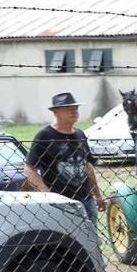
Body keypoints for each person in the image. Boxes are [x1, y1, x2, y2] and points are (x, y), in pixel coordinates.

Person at [24, 92, 107, 223]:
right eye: (69, 109)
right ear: (56, 112)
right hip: (61, 201)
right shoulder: (44, 136)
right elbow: (29, 168)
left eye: (76, 108)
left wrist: (97, 195)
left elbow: (87, 165)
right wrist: (46, 192)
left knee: (91, 238)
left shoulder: (80, 134)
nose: (74, 112)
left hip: (86, 199)